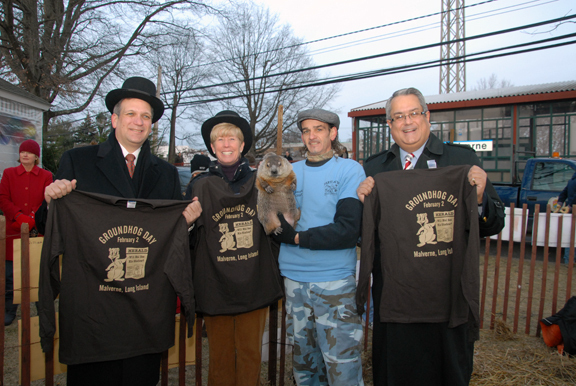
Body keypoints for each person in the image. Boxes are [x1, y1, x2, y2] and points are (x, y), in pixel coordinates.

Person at [36, 76, 202, 386]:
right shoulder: (79, 162)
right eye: (131, 114)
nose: (138, 122)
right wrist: (50, 201)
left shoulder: (165, 173)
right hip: (94, 311)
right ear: (114, 119)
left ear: (151, 125)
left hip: (145, 308)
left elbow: (172, 237)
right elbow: (47, 225)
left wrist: (187, 223)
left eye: (146, 117)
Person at [356, 87, 505, 386]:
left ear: (427, 116)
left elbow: (493, 223)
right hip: (395, 298)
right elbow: (365, 237)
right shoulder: (374, 167)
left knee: (447, 371)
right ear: (389, 123)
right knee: (394, 372)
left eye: (414, 113)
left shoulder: (460, 159)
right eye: (398, 116)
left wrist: (478, 200)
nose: (407, 122)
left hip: (446, 295)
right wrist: (364, 207)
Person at [187, 110, 284, 386]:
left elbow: (277, 231)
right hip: (215, 285)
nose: (226, 144)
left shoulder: (262, 183)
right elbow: (186, 240)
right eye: (220, 140)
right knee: (219, 357)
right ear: (212, 146)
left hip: (253, 283)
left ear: (242, 146)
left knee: (250, 354)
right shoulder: (199, 185)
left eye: (232, 138)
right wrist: (189, 224)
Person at [272, 108, 365, 385]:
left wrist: (298, 238)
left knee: (342, 366)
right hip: (294, 281)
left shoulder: (349, 169)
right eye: (306, 130)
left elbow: (347, 230)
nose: (311, 136)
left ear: (333, 133)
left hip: (334, 281)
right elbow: (275, 219)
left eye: (319, 129)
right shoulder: (290, 171)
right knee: (305, 365)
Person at [0, 139, 53, 326]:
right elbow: (3, 198)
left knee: (39, 273)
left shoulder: (46, 176)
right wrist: (17, 216)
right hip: (14, 231)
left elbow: (47, 199)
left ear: (36, 156)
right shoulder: (8, 173)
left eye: (29, 152)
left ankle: (42, 311)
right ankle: (9, 310)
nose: (25, 155)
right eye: (22, 152)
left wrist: (32, 218)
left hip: (36, 231)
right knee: (10, 275)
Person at [556, 171, 576, 263]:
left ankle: (568, 259)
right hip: (573, 209)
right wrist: (571, 205)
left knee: (570, 236)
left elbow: (564, 193)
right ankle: (570, 259)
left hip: (570, 211)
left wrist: (559, 203)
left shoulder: (571, 180)